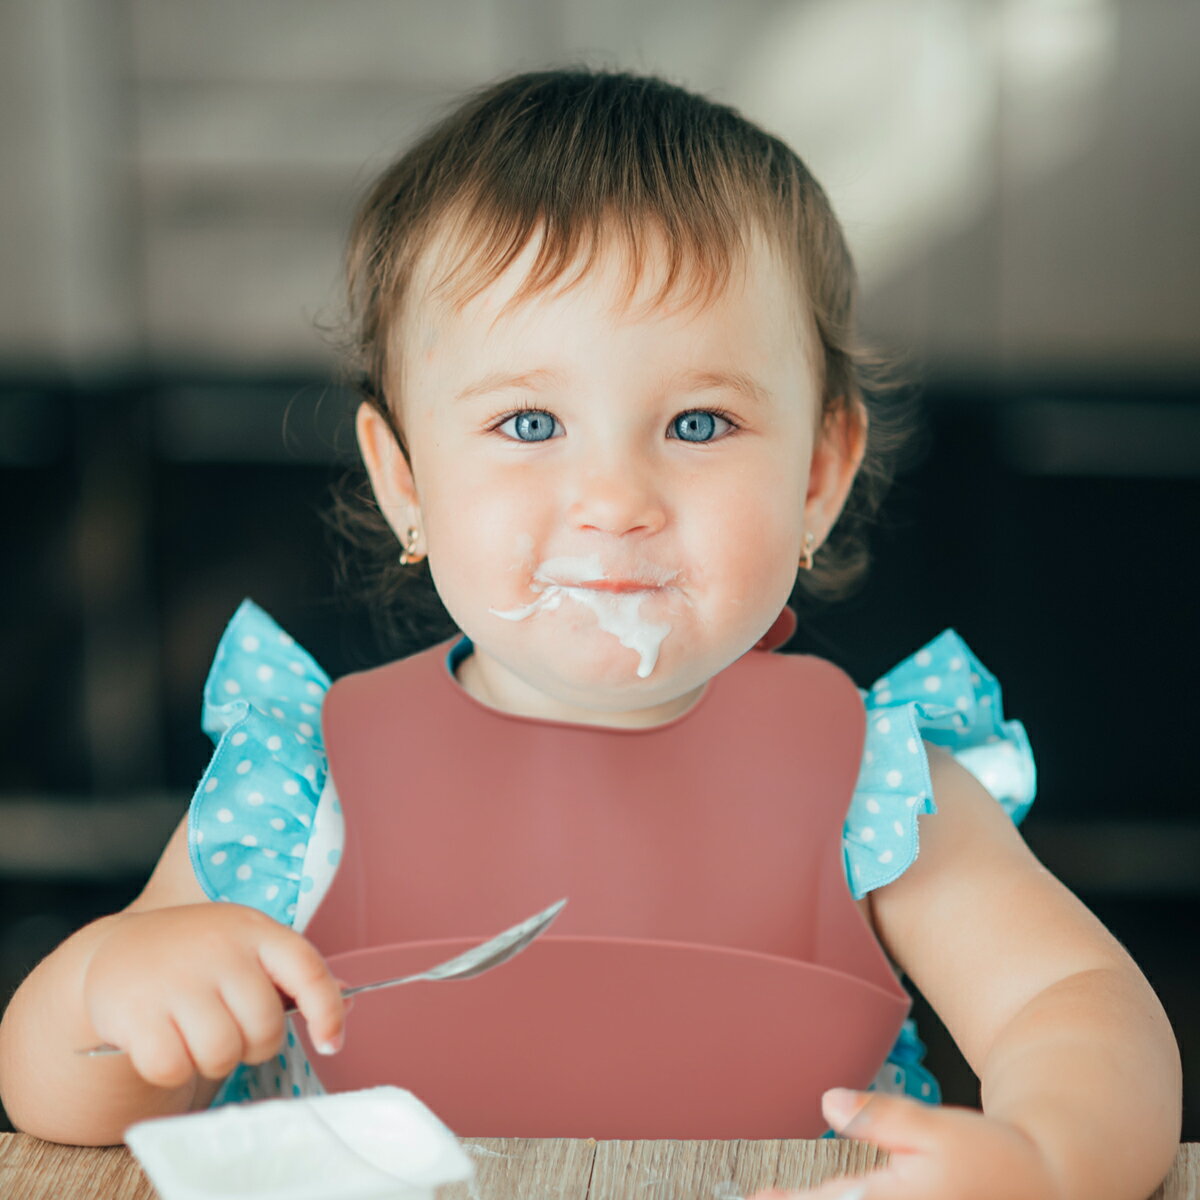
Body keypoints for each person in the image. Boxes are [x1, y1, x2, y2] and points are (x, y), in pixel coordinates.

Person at [0, 68, 1181, 1200]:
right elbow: (66, 1103)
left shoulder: (877, 787)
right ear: (405, 481)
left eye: (700, 422)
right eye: (529, 421)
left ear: (818, 478)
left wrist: (1051, 1159)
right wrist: (111, 992)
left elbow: (1074, 1007)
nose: (614, 498)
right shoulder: (300, 784)